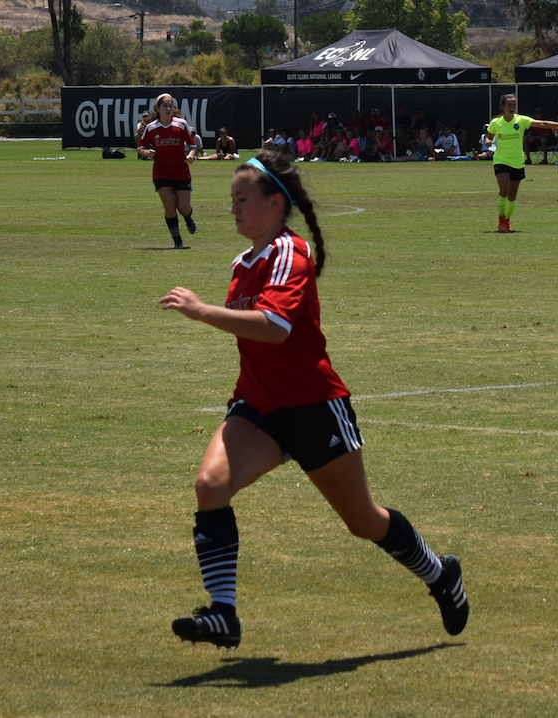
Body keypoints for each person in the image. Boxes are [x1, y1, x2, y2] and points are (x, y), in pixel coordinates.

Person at [159, 149, 470, 649]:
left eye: (242, 199)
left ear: (275, 204)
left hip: (313, 406)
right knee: (210, 485)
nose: (233, 209)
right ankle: (223, 614)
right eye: (231, 200)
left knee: (363, 521)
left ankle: (439, 573)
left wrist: (202, 312)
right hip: (259, 407)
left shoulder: (290, 252)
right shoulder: (244, 262)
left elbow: (276, 328)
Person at [485, 93, 558, 233]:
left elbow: (542, 123)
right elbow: (489, 137)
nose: (512, 107)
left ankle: (507, 220)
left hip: (517, 162)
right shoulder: (496, 123)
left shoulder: (521, 120)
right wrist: (488, 142)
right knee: (504, 190)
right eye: (509, 105)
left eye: (514, 105)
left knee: (512, 195)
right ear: (503, 107)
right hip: (501, 160)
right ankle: (501, 218)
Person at [138, 93, 197, 249]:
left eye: (170, 105)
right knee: (170, 207)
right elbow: (141, 147)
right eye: (165, 106)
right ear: (158, 108)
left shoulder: (181, 124)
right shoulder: (151, 128)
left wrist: (191, 155)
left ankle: (188, 217)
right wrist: (147, 153)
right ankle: (177, 240)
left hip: (181, 170)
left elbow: (192, 145)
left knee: (183, 207)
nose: (168, 108)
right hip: (161, 172)